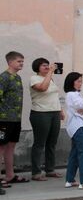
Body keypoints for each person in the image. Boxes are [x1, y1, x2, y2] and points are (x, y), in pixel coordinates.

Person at [29, 57, 64, 181]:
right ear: (37, 67)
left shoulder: (51, 79)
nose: (47, 67)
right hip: (40, 113)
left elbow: (55, 96)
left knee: (52, 143)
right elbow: (43, 88)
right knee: (39, 143)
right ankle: (36, 172)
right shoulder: (34, 79)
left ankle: (50, 170)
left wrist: (60, 110)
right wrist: (50, 72)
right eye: (44, 65)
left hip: (54, 113)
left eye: (48, 65)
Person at [0, 51, 28, 192]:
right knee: (1, 148)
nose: (21, 64)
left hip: (15, 119)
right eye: (19, 61)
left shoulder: (17, 78)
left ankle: (10, 175)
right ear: (10, 62)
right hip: (3, 119)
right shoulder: (4, 78)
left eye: (22, 61)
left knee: (11, 147)